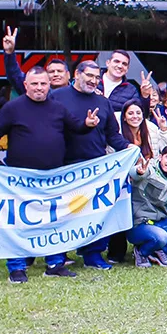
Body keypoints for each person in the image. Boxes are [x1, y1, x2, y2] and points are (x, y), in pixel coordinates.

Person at [0, 66, 98, 283]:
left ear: (50, 86)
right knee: (18, 222)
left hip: (53, 177)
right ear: (25, 85)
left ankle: (55, 263)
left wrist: (87, 124)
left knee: (54, 220)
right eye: (34, 84)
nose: (39, 87)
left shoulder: (58, 108)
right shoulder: (13, 108)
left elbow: (76, 128)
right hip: (19, 179)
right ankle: (17, 267)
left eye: (43, 83)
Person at [52, 60, 134, 270]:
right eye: (89, 76)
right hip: (64, 166)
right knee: (63, 213)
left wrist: (128, 147)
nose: (93, 81)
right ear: (77, 74)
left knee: (95, 213)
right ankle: (58, 256)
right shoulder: (57, 97)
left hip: (96, 169)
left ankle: (93, 254)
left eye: (97, 77)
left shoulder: (103, 102)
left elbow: (112, 135)